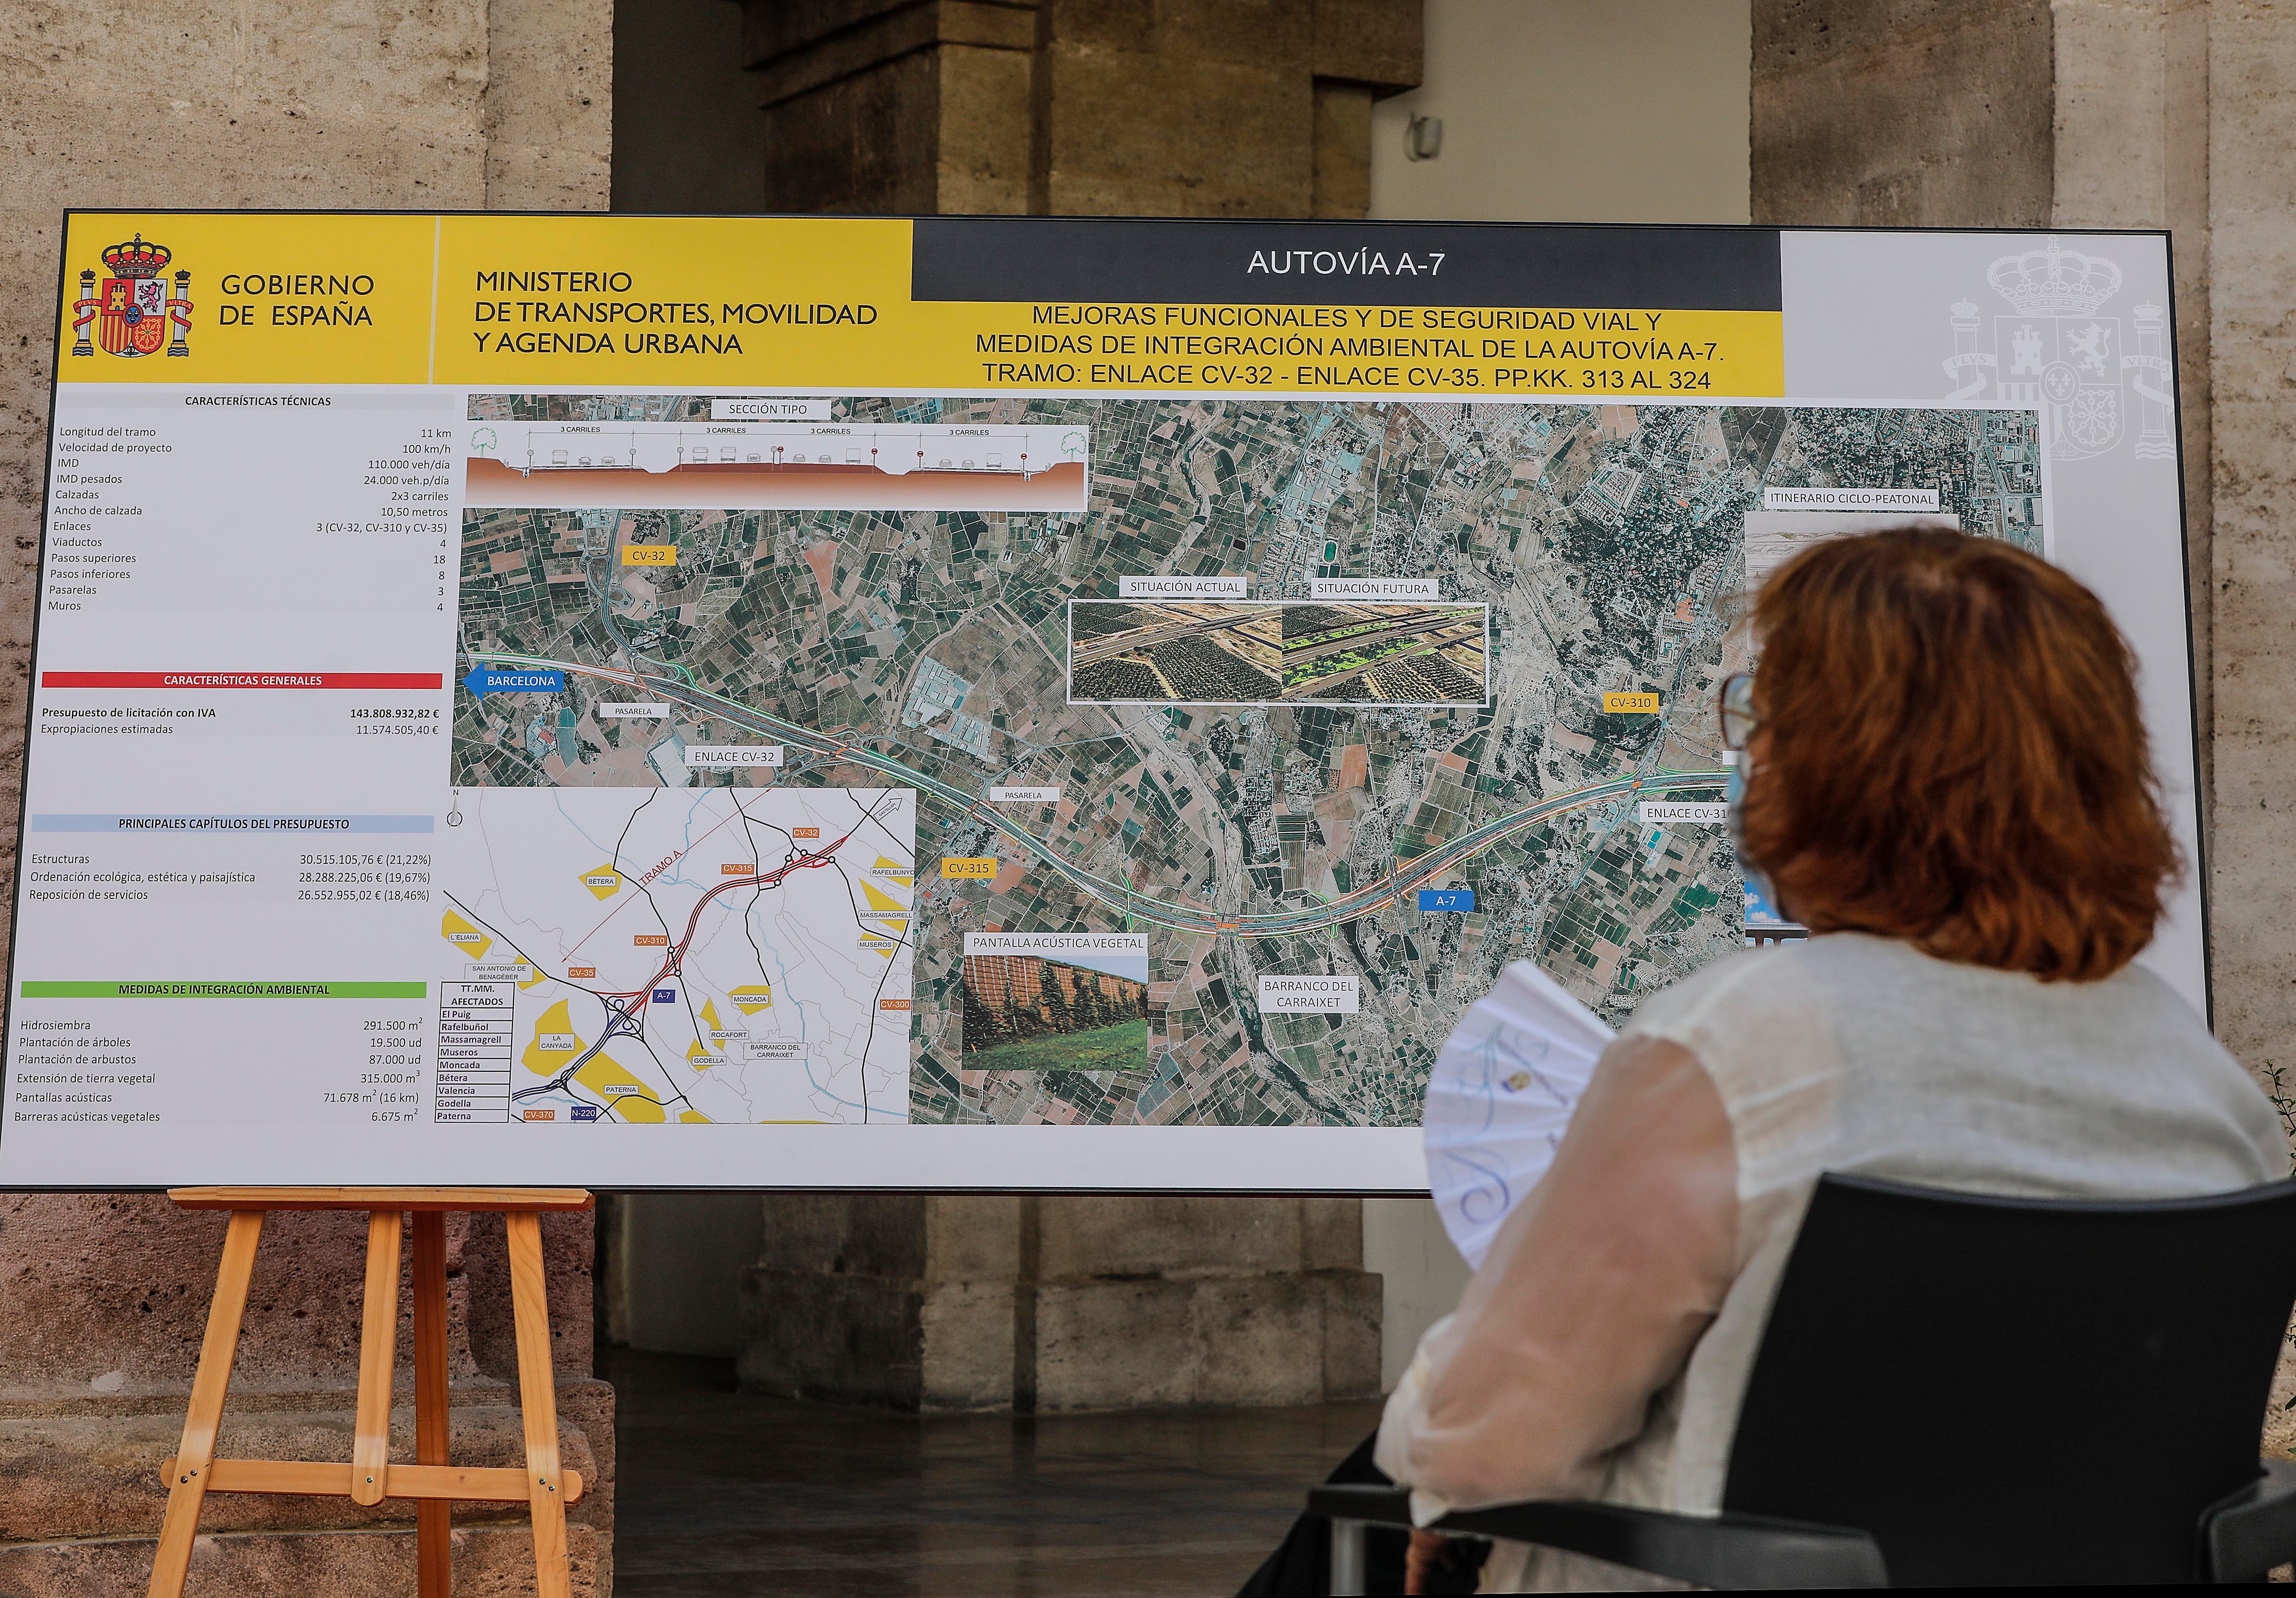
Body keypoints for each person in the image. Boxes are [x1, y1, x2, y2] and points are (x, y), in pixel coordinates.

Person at [1244, 525, 2285, 1595]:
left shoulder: (1728, 1055)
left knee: (1377, 1487)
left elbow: (1482, 1445)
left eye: (1763, 722)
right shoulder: (2213, 1099)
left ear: (1832, 772)